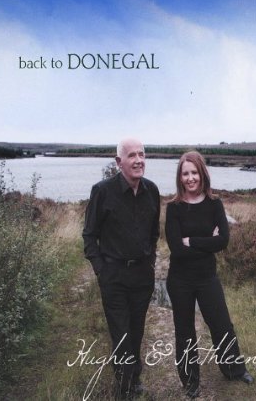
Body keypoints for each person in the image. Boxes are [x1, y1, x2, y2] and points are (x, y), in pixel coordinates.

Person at [165, 151, 253, 398]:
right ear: (180, 177)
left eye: (194, 172)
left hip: (207, 278)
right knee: (185, 331)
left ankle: (234, 370)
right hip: (180, 280)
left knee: (221, 324)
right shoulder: (174, 208)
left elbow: (223, 241)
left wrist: (191, 240)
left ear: (202, 174)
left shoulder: (215, 204)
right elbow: (176, 249)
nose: (190, 178)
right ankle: (190, 382)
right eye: (185, 173)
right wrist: (207, 242)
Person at [82, 137, 160, 400]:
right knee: (121, 334)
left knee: (136, 331)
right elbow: (89, 236)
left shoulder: (152, 191)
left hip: (142, 276)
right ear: (119, 162)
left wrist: (150, 261)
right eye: (132, 155)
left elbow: (153, 233)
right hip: (113, 277)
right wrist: (101, 270)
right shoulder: (102, 191)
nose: (138, 160)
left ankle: (133, 378)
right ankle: (124, 388)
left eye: (142, 154)